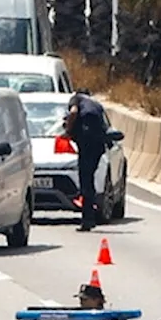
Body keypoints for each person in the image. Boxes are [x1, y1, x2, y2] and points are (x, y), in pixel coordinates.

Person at [63, 90, 109, 232]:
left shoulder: (76, 99)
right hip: (98, 146)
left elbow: (73, 113)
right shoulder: (96, 104)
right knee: (89, 179)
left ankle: (87, 219)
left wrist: (68, 131)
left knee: (85, 181)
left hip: (87, 143)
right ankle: (90, 215)